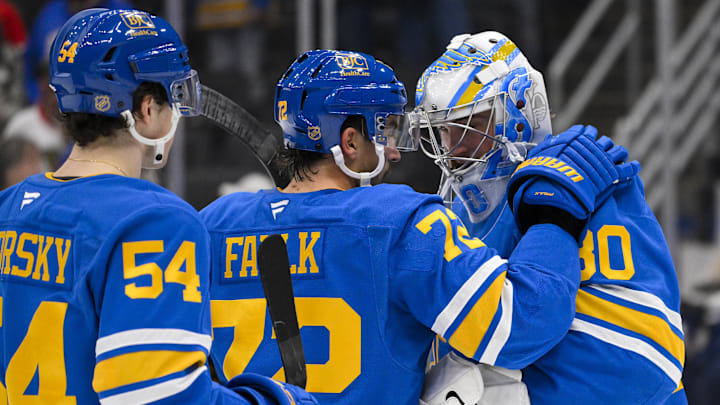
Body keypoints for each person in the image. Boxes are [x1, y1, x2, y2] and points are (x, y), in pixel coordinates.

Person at [201, 49, 632, 404]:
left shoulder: (211, 225)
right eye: (386, 130)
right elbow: (520, 326)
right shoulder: (397, 219)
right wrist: (553, 218)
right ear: (350, 141)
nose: (395, 153)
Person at [0, 8, 317, 405]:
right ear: (147, 109)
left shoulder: (8, 207)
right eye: (176, 98)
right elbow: (156, 396)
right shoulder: (154, 220)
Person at [414, 31, 686, 404]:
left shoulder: (581, 178)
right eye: (444, 130)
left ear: (521, 113)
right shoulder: (449, 213)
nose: (453, 148)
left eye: (471, 125)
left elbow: (649, 357)